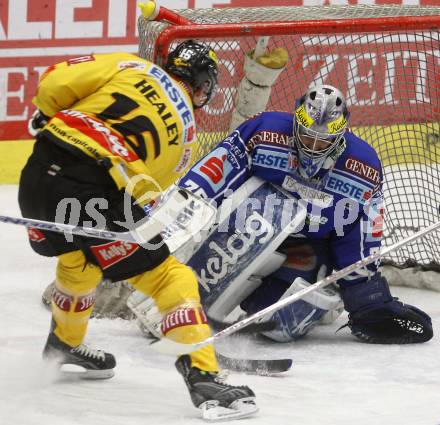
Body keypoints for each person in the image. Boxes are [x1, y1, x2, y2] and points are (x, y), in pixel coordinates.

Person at [19, 40, 257, 421]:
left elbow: (53, 84)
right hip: (89, 192)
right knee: (168, 278)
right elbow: (142, 194)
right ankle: (204, 375)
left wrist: (48, 113)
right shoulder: (186, 139)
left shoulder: (133, 66)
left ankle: (65, 343)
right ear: (201, 87)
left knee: (79, 260)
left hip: (35, 180)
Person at [176, 83, 434, 345]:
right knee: (243, 234)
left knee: (277, 325)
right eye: (307, 136)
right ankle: (178, 292)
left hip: (308, 247)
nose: (312, 147)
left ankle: (315, 289)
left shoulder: (363, 168)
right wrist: (179, 214)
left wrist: (363, 293)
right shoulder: (264, 131)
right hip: (248, 225)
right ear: (296, 123)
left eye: (322, 141)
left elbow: (360, 235)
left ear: (340, 135)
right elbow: (212, 175)